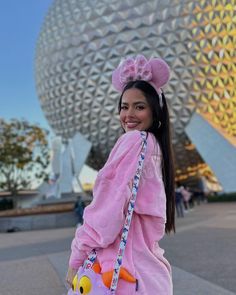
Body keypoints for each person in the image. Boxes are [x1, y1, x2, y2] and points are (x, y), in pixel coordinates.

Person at [66, 55, 175, 294]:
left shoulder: (134, 141)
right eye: (124, 107)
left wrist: (77, 256)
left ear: (155, 111)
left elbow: (107, 209)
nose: (129, 115)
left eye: (140, 106)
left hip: (120, 273)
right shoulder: (155, 146)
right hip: (150, 272)